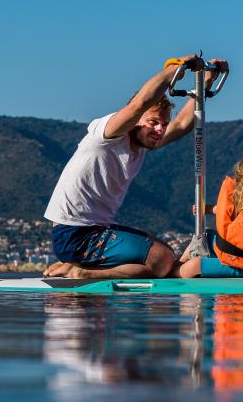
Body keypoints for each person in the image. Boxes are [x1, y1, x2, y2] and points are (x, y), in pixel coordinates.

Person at [43, 55, 227, 279]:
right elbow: (139, 104)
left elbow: (181, 124)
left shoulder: (140, 146)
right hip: (74, 234)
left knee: (161, 263)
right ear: (137, 120)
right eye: (153, 122)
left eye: (163, 124)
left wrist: (206, 80)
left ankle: (83, 270)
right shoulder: (107, 134)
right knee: (161, 259)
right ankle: (80, 272)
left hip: (94, 231)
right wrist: (176, 69)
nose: (160, 129)